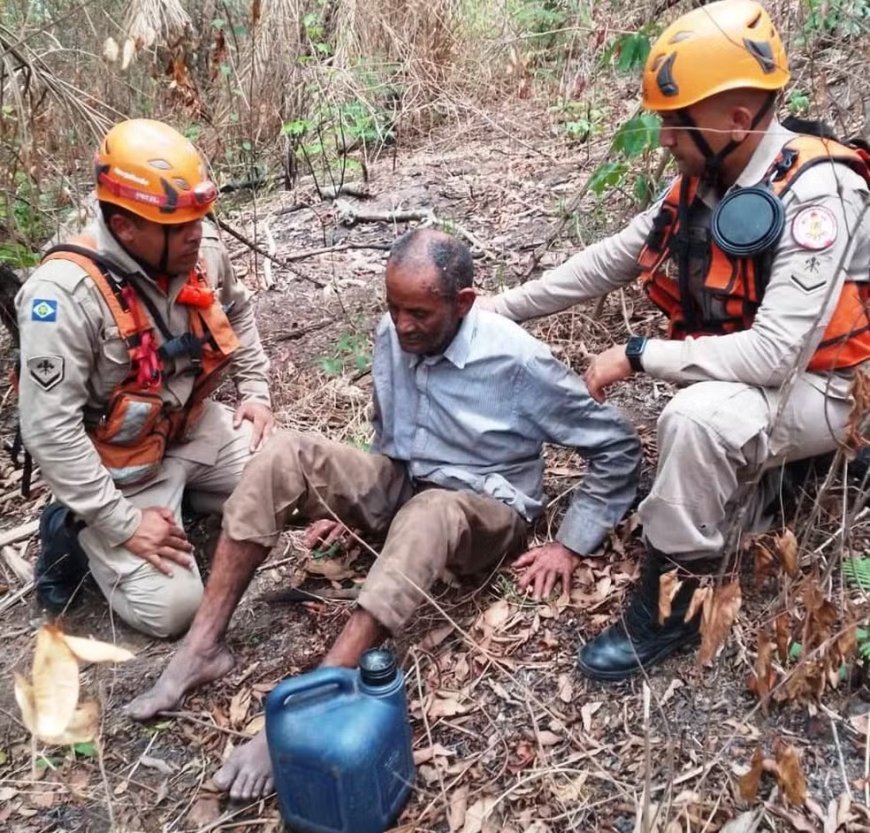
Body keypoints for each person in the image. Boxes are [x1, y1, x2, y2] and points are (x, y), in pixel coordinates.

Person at [124, 228, 641, 799]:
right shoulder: (395, 334)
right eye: (392, 308)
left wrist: (571, 542)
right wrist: (353, 505)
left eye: (418, 312)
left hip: (484, 508)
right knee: (283, 454)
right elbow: (390, 438)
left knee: (427, 513)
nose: (401, 325)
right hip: (408, 479)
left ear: (463, 303)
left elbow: (615, 446)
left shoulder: (514, 359)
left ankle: (317, 694)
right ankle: (203, 645)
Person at [478, 0, 870, 681]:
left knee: (690, 418)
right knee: (703, 418)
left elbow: (777, 355)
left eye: (674, 122)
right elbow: (611, 257)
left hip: (830, 388)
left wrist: (639, 356)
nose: (663, 137)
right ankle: (772, 478)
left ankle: (674, 607)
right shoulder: (707, 177)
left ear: (736, 121)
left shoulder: (819, 195)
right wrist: (503, 307)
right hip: (766, 377)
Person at [16, 119, 274, 638]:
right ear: (125, 224)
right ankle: (77, 529)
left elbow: (239, 310)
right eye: (177, 225)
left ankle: (188, 496)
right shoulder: (63, 297)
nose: (196, 233)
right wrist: (125, 525)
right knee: (174, 611)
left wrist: (257, 392)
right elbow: (50, 430)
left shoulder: (198, 247)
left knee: (282, 487)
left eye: (198, 218)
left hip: (192, 429)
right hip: (120, 464)